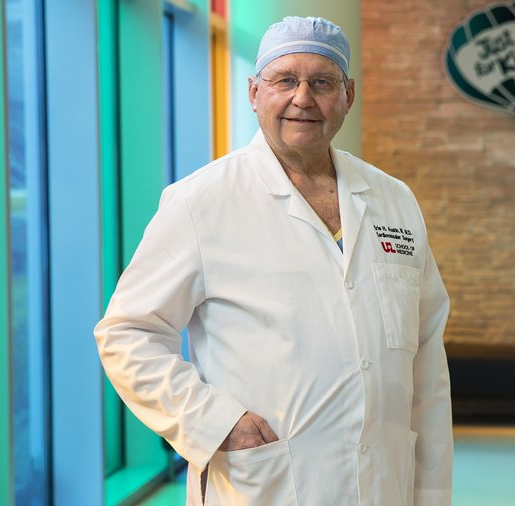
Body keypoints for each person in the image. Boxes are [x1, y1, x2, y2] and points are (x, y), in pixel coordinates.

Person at [94, 16, 452, 506]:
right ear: (253, 92)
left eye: (322, 82)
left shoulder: (394, 201)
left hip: (384, 485)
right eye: (285, 80)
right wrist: (215, 423)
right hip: (266, 485)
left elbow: (427, 363)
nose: (303, 98)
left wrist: (432, 494)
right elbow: (126, 334)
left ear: (348, 94)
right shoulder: (200, 202)